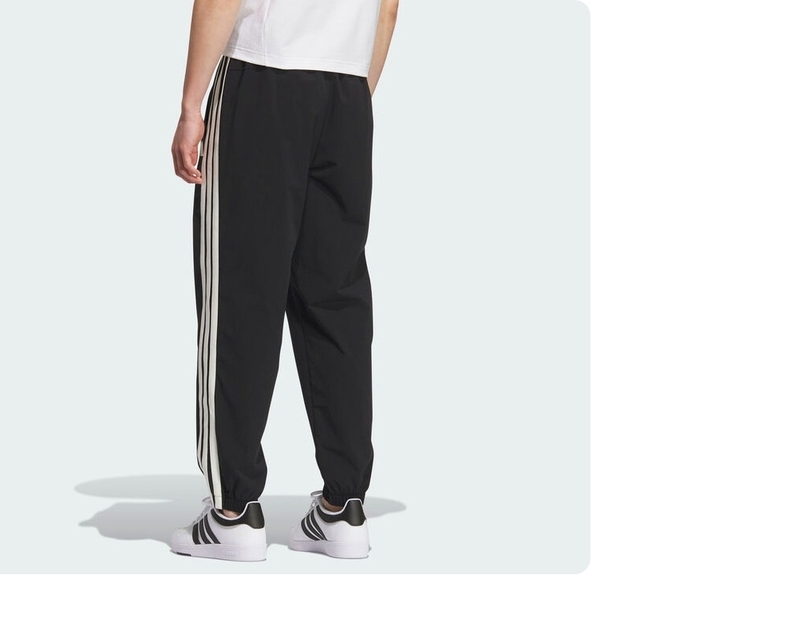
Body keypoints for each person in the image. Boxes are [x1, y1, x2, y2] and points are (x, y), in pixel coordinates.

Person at [168, 0, 399, 562]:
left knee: (240, 292)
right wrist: (350, 96)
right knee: (336, 298)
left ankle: (232, 513)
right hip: (346, 91)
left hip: (263, 78)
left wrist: (191, 106)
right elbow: (388, 8)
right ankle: (344, 507)